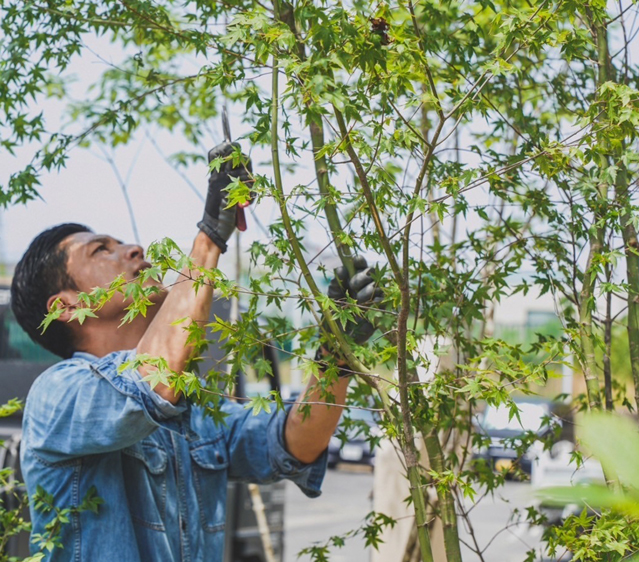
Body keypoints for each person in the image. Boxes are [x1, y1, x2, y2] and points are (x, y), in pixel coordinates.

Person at [10, 142, 380, 562]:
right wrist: (209, 235)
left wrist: (337, 355)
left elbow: (294, 445)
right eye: (101, 250)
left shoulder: (197, 412)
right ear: (68, 306)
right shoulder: (57, 395)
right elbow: (151, 383)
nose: (133, 249)